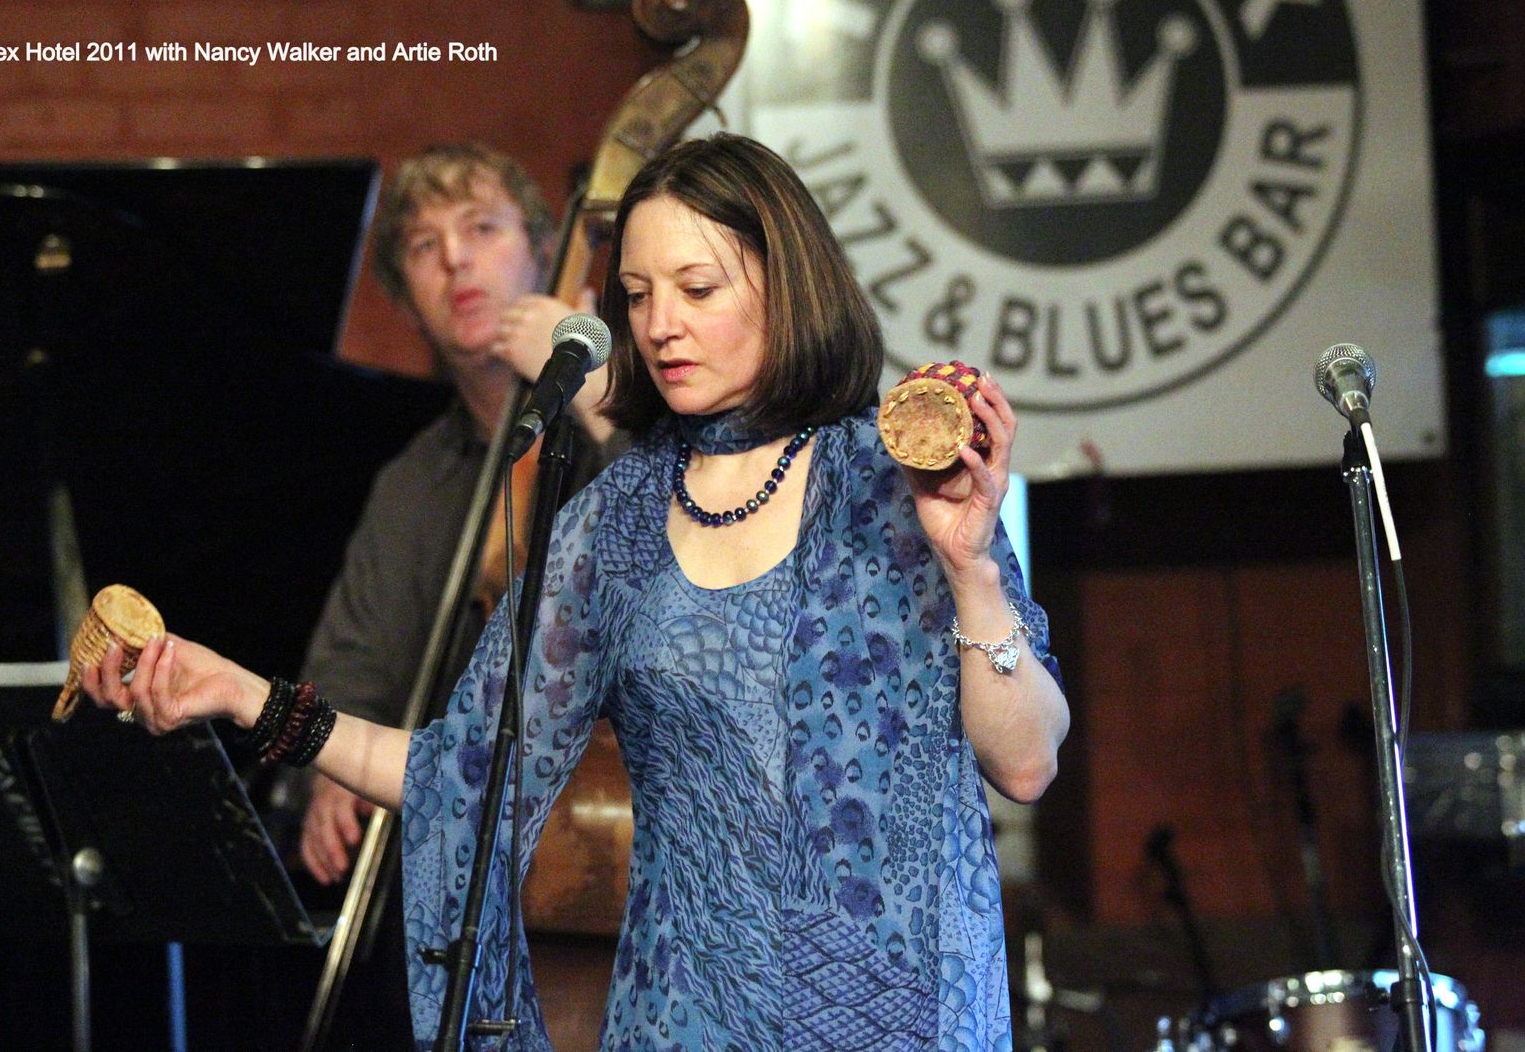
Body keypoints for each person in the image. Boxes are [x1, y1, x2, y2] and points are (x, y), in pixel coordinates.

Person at [84, 133, 1069, 1052]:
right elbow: (462, 771)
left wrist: (973, 572)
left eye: (696, 287)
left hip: (903, 1010)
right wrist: (246, 696)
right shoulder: (617, 520)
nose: (660, 324)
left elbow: (1025, 762)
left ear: (787, 284)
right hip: (683, 1013)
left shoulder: (893, 486)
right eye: (636, 294)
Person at [291, 143, 616, 888]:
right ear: (406, 299)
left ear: (544, 251)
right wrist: (332, 763)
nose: (455, 261)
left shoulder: (639, 417)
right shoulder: (410, 483)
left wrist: (597, 394)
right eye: (422, 247)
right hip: (452, 858)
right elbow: (354, 663)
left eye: (482, 228)